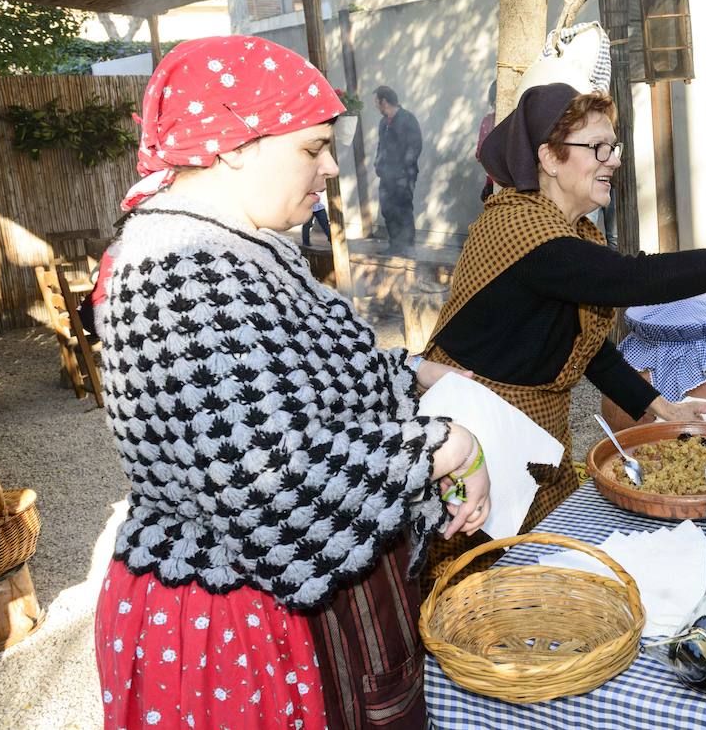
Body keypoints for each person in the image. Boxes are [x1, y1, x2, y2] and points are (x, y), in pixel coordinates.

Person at [93, 36, 491, 730]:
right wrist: (445, 445)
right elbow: (268, 482)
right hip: (232, 623)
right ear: (234, 144)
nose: (332, 167)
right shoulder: (182, 269)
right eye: (312, 148)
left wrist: (415, 372)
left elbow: (301, 382)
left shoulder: (238, 243)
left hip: (285, 599)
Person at [422, 82, 706, 577]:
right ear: (549, 159)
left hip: (533, 433)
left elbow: (588, 348)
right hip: (478, 429)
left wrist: (664, 407)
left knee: (544, 565)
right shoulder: (519, 227)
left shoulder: (569, 231)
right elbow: (636, 280)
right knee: (482, 577)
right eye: (596, 147)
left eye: (612, 146)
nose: (613, 160)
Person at [373, 85, 422, 251]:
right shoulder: (382, 123)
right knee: (387, 209)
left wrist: (403, 168)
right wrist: (377, 163)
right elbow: (381, 146)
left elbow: (415, 146)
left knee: (403, 209)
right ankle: (395, 246)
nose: (376, 106)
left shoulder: (408, 119)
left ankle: (408, 247)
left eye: (377, 102)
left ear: (384, 101)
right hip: (386, 175)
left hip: (403, 175)